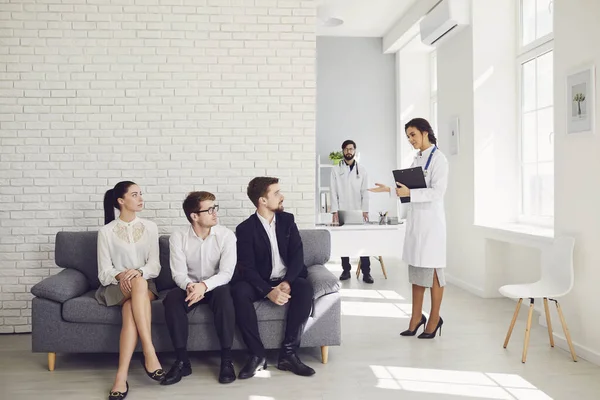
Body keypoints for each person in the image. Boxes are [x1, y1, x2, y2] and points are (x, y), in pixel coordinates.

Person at [369, 118, 448, 339]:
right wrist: (389, 190)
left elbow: (437, 192)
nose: (410, 140)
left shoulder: (439, 160)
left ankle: (434, 318)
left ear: (425, 133)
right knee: (416, 271)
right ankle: (415, 317)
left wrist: (410, 194)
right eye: (408, 136)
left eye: (413, 135)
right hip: (416, 223)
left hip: (432, 225)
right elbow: (410, 191)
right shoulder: (417, 158)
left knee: (433, 272)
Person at [231, 177, 316, 379]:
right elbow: (248, 269)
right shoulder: (245, 229)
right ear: (262, 200)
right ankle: (257, 355)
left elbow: (297, 255)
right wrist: (269, 292)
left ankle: (288, 354)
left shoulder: (287, 220)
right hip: (260, 282)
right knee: (238, 292)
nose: (282, 196)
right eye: (276, 193)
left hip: (287, 278)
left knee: (304, 288)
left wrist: (287, 282)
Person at [161, 191, 237, 385]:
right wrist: (191, 286)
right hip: (189, 287)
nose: (215, 213)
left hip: (215, 286)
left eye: (215, 208)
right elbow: (178, 273)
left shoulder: (226, 236)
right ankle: (181, 361)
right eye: (209, 209)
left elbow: (226, 273)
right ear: (194, 216)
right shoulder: (178, 237)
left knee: (224, 296)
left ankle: (226, 360)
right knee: (171, 300)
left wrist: (204, 286)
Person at [96, 181, 164, 400]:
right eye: (135, 195)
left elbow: (155, 266)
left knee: (131, 307)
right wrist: (120, 275)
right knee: (136, 286)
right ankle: (149, 350)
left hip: (144, 284)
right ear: (121, 201)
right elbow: (104, 271)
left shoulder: (150, 227)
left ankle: (120, 377)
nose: (141, 198)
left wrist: (138, 272)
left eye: (141, 194)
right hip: (116, 287)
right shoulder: (106, 231)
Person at [330, 139, 374, 284]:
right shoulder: (336, 170)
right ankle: (346, 270)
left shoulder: (362, 170)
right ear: (343, 151)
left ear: (355, 151)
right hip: (342, 209)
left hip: (358, 210)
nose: (349, 151)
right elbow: (333, 191)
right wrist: (334, 212)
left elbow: (365, 192)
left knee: (363, 241)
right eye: (346, 149)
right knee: (345, 241)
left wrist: (365, 210)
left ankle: (366, 272)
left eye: (351, 149)